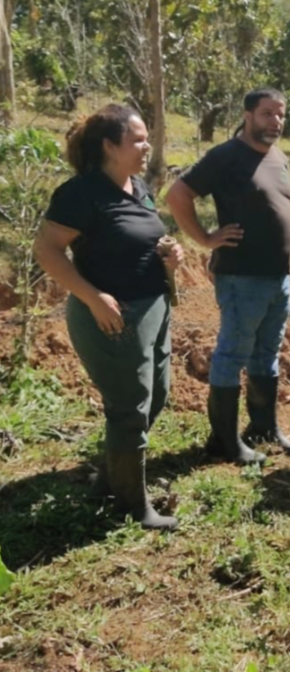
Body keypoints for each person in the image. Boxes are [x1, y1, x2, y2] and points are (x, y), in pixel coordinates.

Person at [34, 104, 184, 530]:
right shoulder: (81, 194)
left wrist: (169, 255)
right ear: (109, 146)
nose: (146, 145)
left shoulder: (139, 187)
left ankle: (109, 478)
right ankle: (132, 506)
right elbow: (46, 249)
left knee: (156, 395)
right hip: (113, 319)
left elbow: (142, 238)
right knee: (128, 408)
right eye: (137, 139)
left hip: (154, 308)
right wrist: (94, 296)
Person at [166, 87, 290, 465]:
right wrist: (206, 238)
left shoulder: (278, 157)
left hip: (277, 278)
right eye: (267, 113)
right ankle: (223, 440)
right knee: (232, 354)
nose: (275, 121)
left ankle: (263, 428)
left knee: (266, 353)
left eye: (280, 114)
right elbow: (178, 194)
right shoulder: (226, 156)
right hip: (242, 277)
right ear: (248, 115)